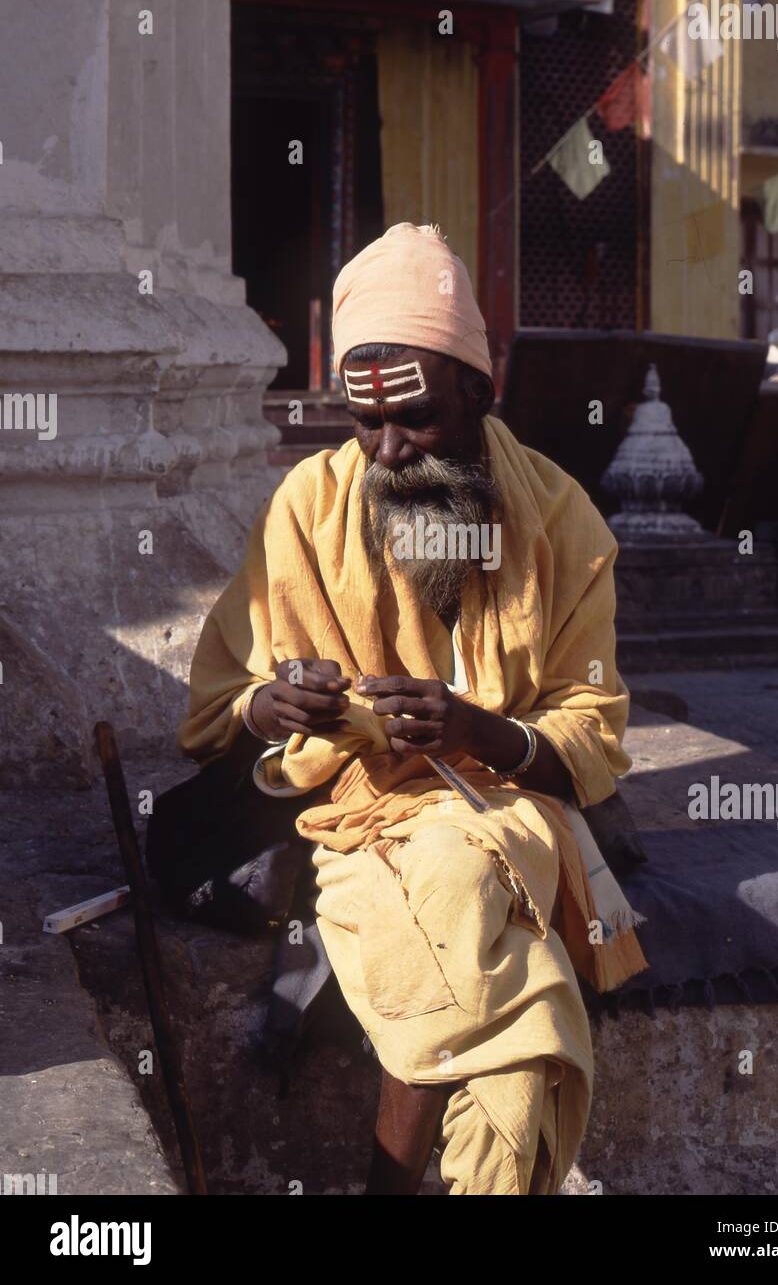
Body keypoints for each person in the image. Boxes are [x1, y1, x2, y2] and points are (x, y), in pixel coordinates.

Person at [177, 221, 647, 1195]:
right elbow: (223, 704)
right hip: (352, 822)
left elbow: (593, 727)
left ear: (483, 386)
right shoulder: (306, 505)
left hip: (502, 814)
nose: (389, 449)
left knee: (469, 872)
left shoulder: (563, 523)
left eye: (419, 419)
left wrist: (484, 732)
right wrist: (279, 705)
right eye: (366, 423)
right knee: (527, 1021)